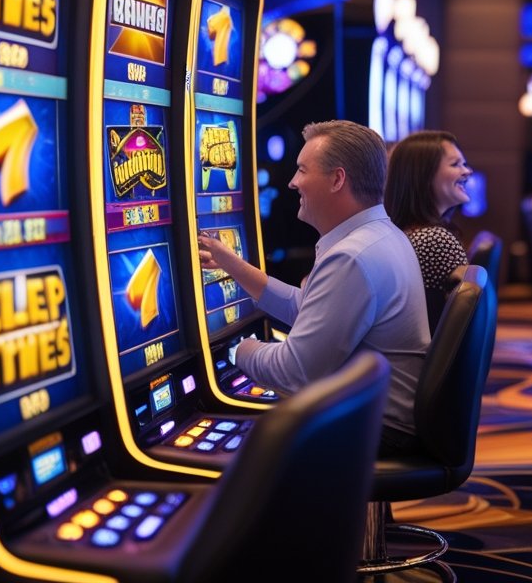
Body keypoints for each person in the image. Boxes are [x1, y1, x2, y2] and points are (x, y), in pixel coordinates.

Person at [197, 120, 429, 456]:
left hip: (378, 430)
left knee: (244, 450)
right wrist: (233, 265)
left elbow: (295, 374)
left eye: (302, 170)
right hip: (381, 415)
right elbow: (308, 307)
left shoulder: (353, 257)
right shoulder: (378, 235)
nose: (292, 183)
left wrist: (236, 351)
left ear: (337, 179)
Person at [384, 130, 472, 332]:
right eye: (455, 164)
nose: (468, 171)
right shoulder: (433, 239)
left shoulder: (426, 237)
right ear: (423, 174)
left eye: (464, 164)